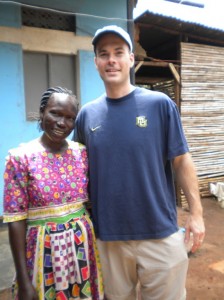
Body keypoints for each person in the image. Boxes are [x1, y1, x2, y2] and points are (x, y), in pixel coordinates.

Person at [73, 25, 205, 300]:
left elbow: (181, 160)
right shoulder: (86, 115)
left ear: (131, 59)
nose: (111, 60)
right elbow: (78, 173)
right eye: (104, 54)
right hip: (109, 238)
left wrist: (197, 213)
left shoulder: (160, 105)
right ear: (96, 62)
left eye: (119, 52)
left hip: (160, 233)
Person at [3, 87, 104, 300]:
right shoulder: (20, 158)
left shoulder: (81, 153)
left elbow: (90, 204)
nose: (61, 123)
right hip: (42, 252)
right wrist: (23, 280)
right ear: (42, 113)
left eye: (69, 118)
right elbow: (15, 220)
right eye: (55, 113)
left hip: (82, 250)